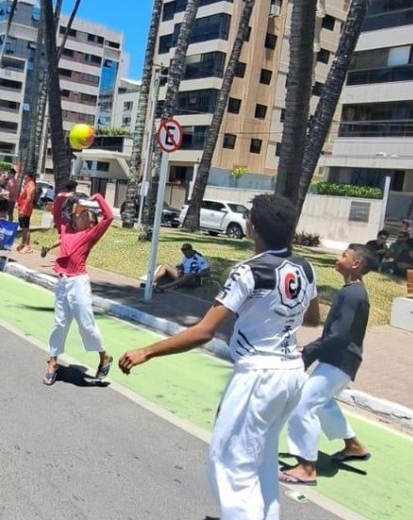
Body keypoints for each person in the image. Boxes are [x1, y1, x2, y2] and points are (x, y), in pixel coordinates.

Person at [118, 193, 320, 520]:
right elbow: (312, 319)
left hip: (258, 377)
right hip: (292, 375)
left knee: (231, 466)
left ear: (253, 226)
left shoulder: (248, 271)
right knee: (263, 461)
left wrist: (148, 351)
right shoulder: (305, 268)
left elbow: (204, 331)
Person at [280, 244, 376, 487]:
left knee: (304, 405)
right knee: (323, 403)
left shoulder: (353, 294)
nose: (337, 257)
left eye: (344, 255)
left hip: (340, 360)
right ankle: (353, 446)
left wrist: (310, 352)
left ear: (356, 264)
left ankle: (306, 467)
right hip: (341, 359)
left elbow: (338, 335)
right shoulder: (352, 291)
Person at [44, 193, 115, 386]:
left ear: (91, 224)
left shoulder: (90, 234)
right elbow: (59, 208)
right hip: (62, 283)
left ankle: (104, 357)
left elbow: (109, 216)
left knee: (86, 322)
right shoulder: (66, 230)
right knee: (59, 323)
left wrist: (97, 197)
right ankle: (53, 362)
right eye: (80, 213)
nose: (81, 216)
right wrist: (67, 197)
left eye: (86, 215)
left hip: (78, 283)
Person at [143, 243, 210, 292]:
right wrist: (180, 268)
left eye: (186, 253)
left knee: (189, 274)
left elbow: (207, 273)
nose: (185, 255)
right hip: (183, 276)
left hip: (194, 280)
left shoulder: (199, 258)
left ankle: (162, 287)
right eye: (183, 253)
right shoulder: (185, 257)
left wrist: (194, 274)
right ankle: (150, 283)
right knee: (166, 265)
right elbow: (183, 266)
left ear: (190, 250)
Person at [40, 180, 77, 258]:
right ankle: (58, 254)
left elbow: (54, 207)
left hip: (59, 219)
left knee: (62, 237)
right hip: (68, 220)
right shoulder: (73, 196)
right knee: (66, 238)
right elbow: (74, 211)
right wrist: (74, 221)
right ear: (74, 188)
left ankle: (49, 248)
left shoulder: (59, 195)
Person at [15, 171, 37, 253]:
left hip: (26, 209)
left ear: (29, 177)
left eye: (25, 177)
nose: (24, 178)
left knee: (26, 228)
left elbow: (29, 198)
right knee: (23, 227)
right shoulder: (27, 185)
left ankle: (27, 245)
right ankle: (23, 243)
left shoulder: (31, 185)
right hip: (22, 208)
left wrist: (24, 209)